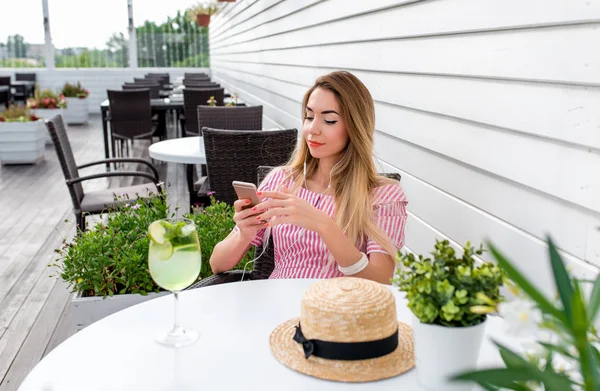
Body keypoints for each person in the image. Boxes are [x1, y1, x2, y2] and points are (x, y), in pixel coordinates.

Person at [209, 71, 407, 284]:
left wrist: (325, 225)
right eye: (309, 117)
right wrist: (243, 235)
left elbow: (382, 280)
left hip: (339, 311)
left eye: (329, 120)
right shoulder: (281, 181)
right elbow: (217, 264)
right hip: (278, 306)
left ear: (355, 127)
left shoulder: (383, 195)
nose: (312, 129)